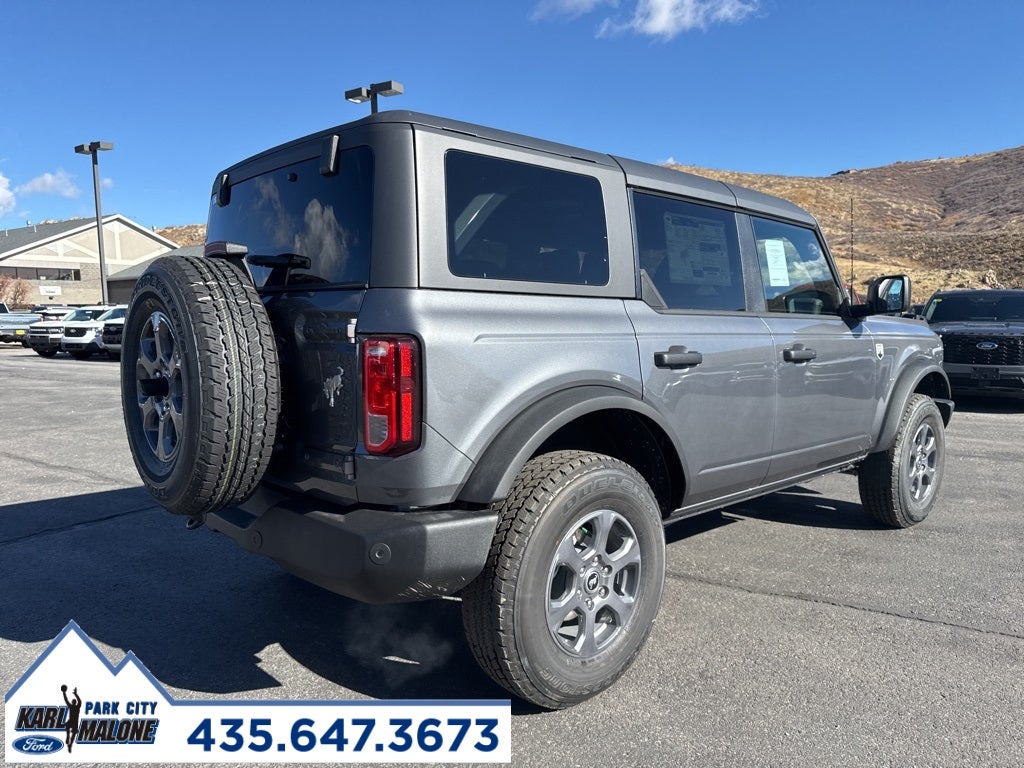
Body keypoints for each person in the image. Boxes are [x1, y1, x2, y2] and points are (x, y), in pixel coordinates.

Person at [61, 684, 81, 754]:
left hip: (72, 721)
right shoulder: (76, 707)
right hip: (74, 722)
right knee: (72, 733)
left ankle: (68, 739)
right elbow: (79, 701)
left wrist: (64, 693)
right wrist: (75, 694)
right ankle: (69, 741)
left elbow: (66, 700)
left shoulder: (73, 706)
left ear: (73, 702)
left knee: (68, 727)